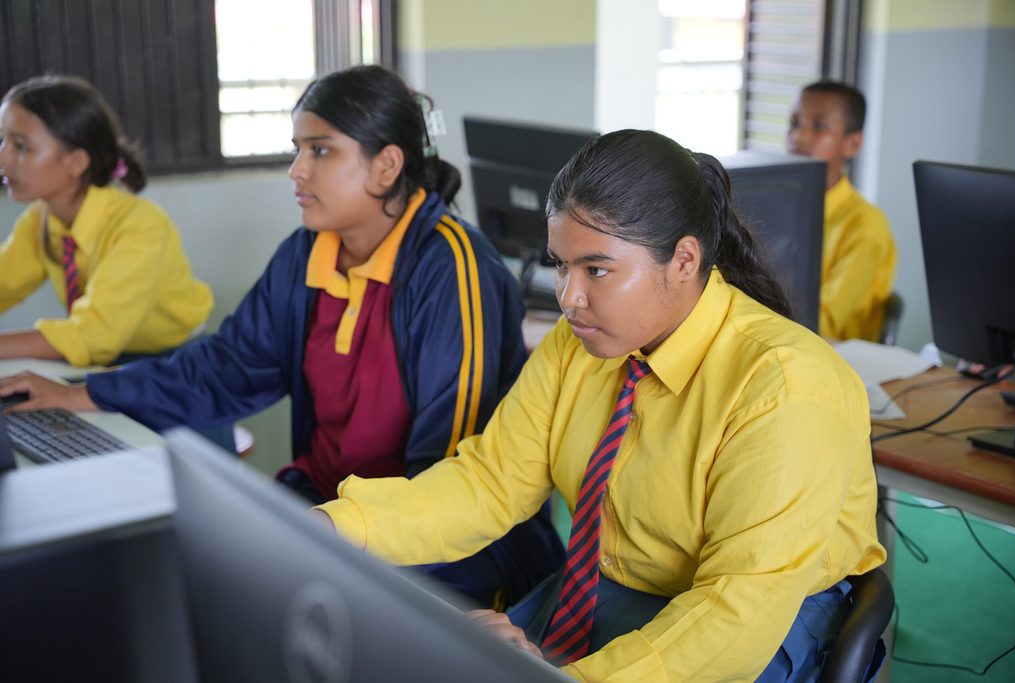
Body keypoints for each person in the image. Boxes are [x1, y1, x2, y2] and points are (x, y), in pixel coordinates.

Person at [310, 130, 888, 682]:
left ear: (684, 260)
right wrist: (334, 527)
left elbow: (735, 613)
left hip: (748, 625)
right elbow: (489, 484)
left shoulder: (787, 387)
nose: (569, 297)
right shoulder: (580, 343)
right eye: (561, 265)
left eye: (597, 269)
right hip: (606, 588)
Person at [0, 65, 564, 608]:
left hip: (440, 550)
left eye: (319, 151)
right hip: (327, 510)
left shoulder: (453, 269)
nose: (297, 170)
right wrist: (88, 393)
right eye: (297, 150)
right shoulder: (308, 254)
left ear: (386, 166)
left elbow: (451, 482)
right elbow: (227, 367)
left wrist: (328, 541)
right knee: (178, 571)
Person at [0, 74, 213, 367]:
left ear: (75, 162)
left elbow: (93, 335)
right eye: (3, 141)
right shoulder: (41, 220)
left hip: (175, 362)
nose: (4, 158)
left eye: (21, 146)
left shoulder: (140, 225)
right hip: (109, 357)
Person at [787, 79, 897, 342]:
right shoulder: (781, 209)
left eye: (819, 126)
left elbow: (822, 321)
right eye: (794, 123)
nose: (798, 136)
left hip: (833, 361)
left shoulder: (865, 225)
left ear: (852, 144)